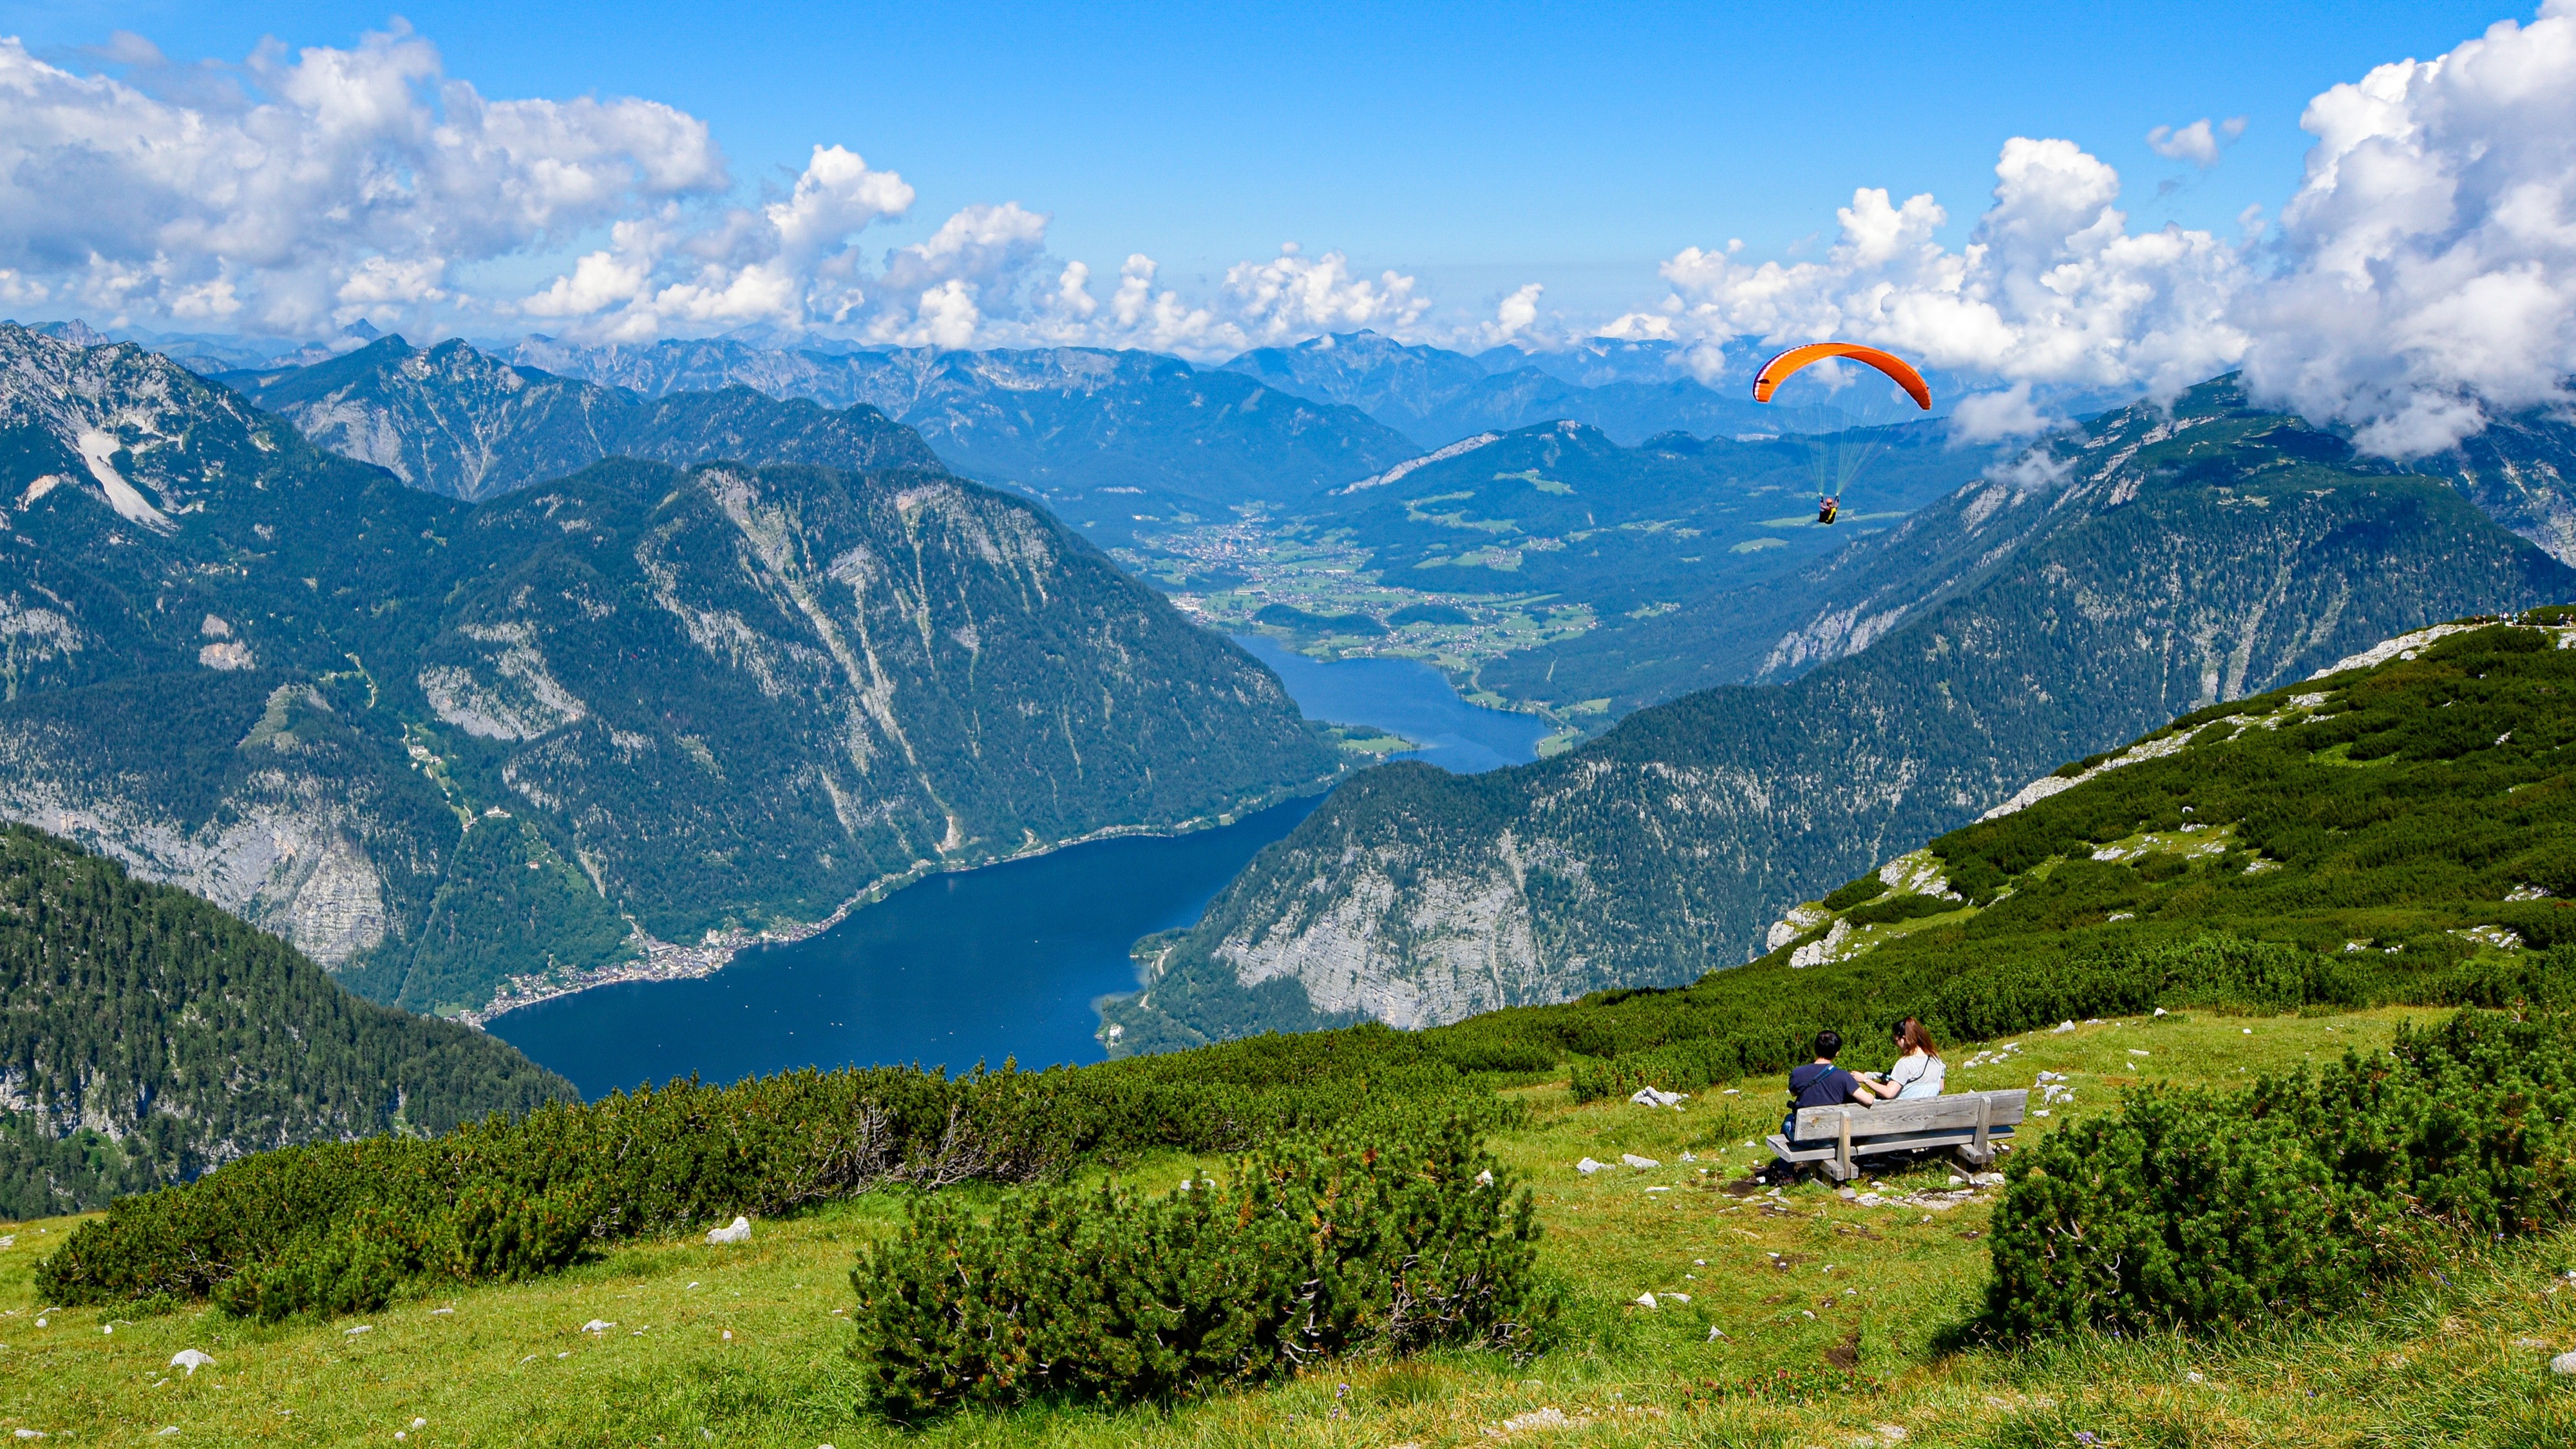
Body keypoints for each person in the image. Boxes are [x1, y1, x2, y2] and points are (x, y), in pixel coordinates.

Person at [1863, 1018, 1946, 1100]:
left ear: (1904, 1039)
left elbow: (1889, 1093)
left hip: (1904, 1111)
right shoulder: (1936, 1060)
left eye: (1896, 1041)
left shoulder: (1905, 1064)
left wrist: (1865, 1080)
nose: (1897, 1046)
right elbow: (1940, 1087)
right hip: (1930, 1111)